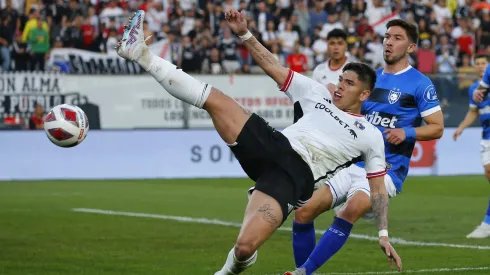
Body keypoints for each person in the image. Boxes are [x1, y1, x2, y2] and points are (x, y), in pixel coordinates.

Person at [116, 9, 399, 275]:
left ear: (364, 94)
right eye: (341, 80)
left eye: (349, 84)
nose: (340, 86)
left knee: (244, 248)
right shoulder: (316, 93)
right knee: (216, 100)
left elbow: (377, 190)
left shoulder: (369, 134)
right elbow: (272, 65)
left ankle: (229, 269)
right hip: (273, 144)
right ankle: (141, 54)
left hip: (293, 176)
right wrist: (244, 34)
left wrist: (383, 234)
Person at [287, 19, 444, 275]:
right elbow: (349, 114)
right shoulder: (371, 79)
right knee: (303, 212)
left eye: (397, 38)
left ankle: (303, 272)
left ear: (411, 46)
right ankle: (304, 271)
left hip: (386, 171)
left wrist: (407, 131)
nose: (389, 42)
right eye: (387, 36)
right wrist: (333, 96)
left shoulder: (420, 84)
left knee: (351, 209)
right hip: (352, 163)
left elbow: (437, 126)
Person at [453, 54, 490, 239]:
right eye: (478, 64)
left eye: (484, 63)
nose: (481, 66)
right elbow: (473, 112)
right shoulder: (474, 89)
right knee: (488, 173)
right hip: (487, 137)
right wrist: (460, 127)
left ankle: (487, 224)